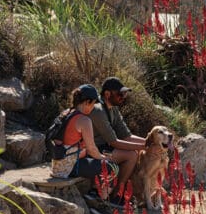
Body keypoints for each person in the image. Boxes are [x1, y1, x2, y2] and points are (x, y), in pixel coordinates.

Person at [89, 77, 145, 207]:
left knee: (134, 151)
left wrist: (151, 142)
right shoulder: (98, 110)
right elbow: (114, 142)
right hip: (94, 150)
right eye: (120, 94)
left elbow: (126, 136)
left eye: (125, 94)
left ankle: (120, 192)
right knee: (131, 155)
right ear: (108, 94)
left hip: (105, 147)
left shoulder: (113, 109)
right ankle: (117, 195)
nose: (123, 97)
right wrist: (145, 146)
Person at [51, 84, 118, 193]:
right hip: (69, 167)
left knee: (96, 160)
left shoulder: (65, 113)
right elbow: (91, 149)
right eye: (93, 103)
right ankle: (103, 200)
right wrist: (104, 158)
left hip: (57, 165)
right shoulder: (84, 120)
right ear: (87, 102)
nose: (94, 107)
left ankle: (94, 191)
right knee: (112, 167)